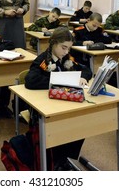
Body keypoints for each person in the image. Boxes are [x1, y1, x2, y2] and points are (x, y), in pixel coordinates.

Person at [24, 27, 92, 170]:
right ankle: (55, 160)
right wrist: (57, 80)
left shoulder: (67, 58)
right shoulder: (43, 60)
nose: (66, 52)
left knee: (82, 124)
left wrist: (83, 78)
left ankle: (65, 159)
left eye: (69, 48)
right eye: (63, 48)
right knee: (63, 126)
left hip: (64, 104)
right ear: (53, 43)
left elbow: (86, 70)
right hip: (45, 109)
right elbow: (30, 81)